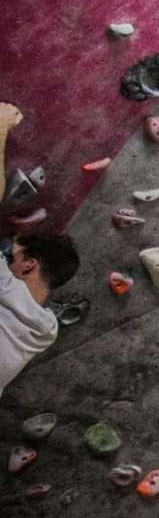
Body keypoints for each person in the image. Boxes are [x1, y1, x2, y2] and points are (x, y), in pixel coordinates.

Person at [0, 102, 78, 401]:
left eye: (11, 259)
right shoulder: (45, 331)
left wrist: (2, 126)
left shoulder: (7, 286)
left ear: (30, 265)